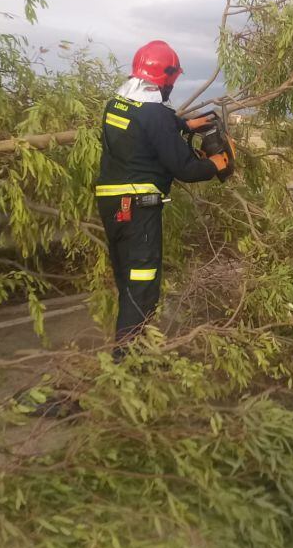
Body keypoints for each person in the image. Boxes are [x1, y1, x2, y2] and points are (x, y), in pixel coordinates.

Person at [95, 40, 231, 353]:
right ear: (166, 79)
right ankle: (125, 366)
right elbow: (185, 169)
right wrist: (215, 164)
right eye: (172, 80)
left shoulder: (117, 105)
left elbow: (146, 125)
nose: (172, 86)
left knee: (128, 283)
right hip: (138, 211)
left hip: (113, 206)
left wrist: (184, 125)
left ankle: (132, 353)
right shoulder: (155, 116)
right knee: (142, 287)